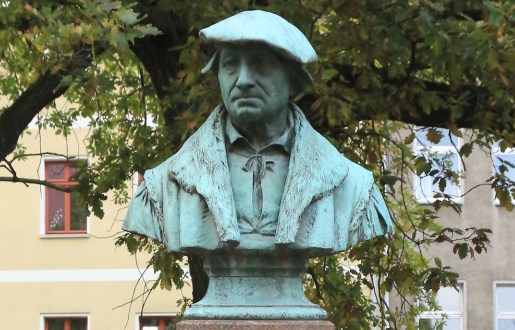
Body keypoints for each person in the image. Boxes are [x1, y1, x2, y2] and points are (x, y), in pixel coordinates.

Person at [123, 10, 392, 257]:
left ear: (293, 80)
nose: (243, 81)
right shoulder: (164, 185)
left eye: (261, 65)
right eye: (230, 65)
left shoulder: (353, 188)